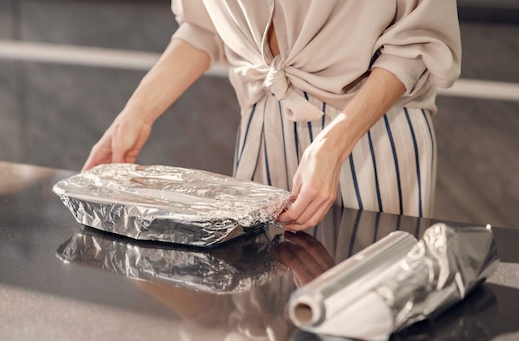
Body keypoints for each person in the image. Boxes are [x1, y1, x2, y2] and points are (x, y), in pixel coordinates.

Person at [82, 1, 461, 231]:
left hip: (371, 131)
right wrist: (134, 116)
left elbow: (414, 47)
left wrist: (332, 146)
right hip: (264, 124)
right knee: (260, 327)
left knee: (367, 323)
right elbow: (204, 26)